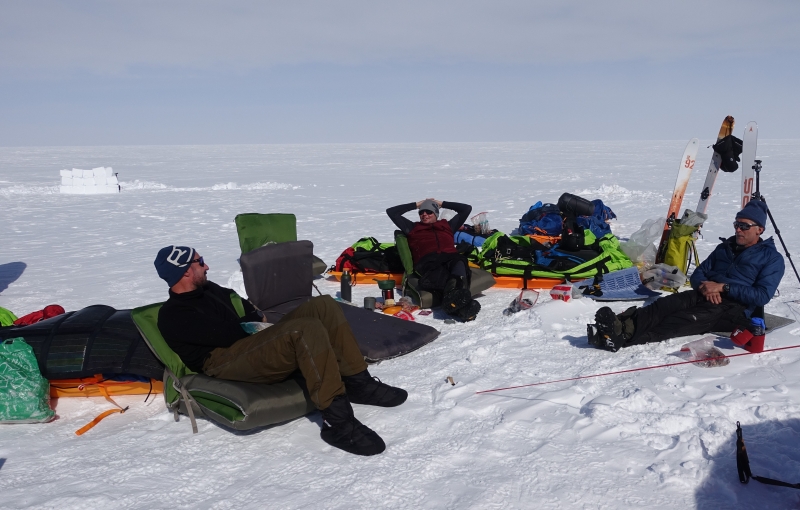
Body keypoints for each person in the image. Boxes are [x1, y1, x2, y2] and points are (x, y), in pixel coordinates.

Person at [153, 245, 407, 456]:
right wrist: (265, 329)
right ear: (185, 271)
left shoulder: (207, 289)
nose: (206, 266)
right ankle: (337, 421)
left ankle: (358, 382)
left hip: (245, 344)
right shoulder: (174, 315)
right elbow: (230, 334)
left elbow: (236, 303)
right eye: (200, 262)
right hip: (223, 362)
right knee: (303, 329)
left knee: (323, 305)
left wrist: (256, 317)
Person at [588, 200, 785, 351]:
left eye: (744, 226)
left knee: (681, 320)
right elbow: (699, 273)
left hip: (735, 308)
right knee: (664, 306)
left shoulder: (772, 259)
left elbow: (762, 296)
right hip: (704, 292)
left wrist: (723, 288)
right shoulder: (725, 248)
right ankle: (617, 325)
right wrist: (705, 286)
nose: (738, 230)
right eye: (736, 224)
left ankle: (622, 337)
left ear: (759, 229)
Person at [386, 198, 480, 321]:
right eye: (421, 212)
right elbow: (392, 212)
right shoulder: (413, 228)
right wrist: (416, 205)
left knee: (459, 261)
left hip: (451, 257)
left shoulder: (447, 225)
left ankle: (456, 302)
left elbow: (466, 209)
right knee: (444, 276)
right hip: (428, 261)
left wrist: (442, 204)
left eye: (428, 212)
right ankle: (462, 307)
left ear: (436, 213)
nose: (424, 214)